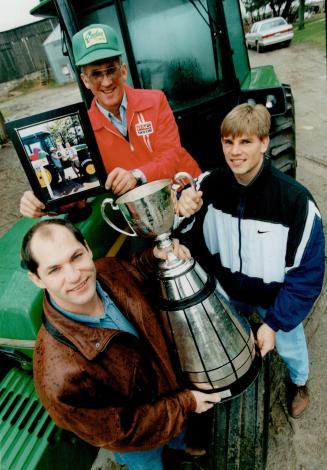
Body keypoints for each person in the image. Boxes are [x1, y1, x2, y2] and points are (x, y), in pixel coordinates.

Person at [21, 218, 220, 469]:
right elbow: (121, 431)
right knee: (148, 464)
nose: (74, 276)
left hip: (170, 389)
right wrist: (185, 403)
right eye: (54, 270)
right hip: (138, 442)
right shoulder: (58, 377)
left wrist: (156, 255)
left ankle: (179, 444)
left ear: (88, 249)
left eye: (76, 257)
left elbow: (133, 270)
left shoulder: (107, 270)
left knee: (179, 432)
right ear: (37, 278)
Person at [175, 103, 325, 419]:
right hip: (228, 295)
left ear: (264, 143)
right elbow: (184, 234)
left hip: (274, 300)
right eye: (228, 142)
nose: (235, 151)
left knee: (289, 347)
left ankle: (300, 382)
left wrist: (273, 322)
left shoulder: (295, 202)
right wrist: (181, 210)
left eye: (245, 142)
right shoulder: (207, 187)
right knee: (231, 344)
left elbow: (306, 276)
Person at [19, 23, 201, 218]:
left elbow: (171, 156)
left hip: (187, 192)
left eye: (110, 70)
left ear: (123, 71)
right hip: (146, 213)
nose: (106, 82)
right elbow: (82, 191)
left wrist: (136, 175)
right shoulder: (84, 128)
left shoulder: (155, 100)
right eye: (96, 74)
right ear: (85, 80)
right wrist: (44, 203)